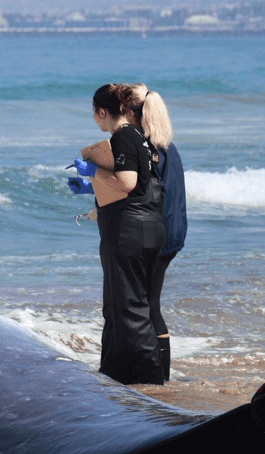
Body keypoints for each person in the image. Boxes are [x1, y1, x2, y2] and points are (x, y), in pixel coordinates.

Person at [69, 83, 169, 385]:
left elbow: (126, 182)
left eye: (94, 114)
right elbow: (141, 187)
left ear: (102, 112)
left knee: (129, 309)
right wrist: (94, 189)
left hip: (129, 232)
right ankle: (115, 375)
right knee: (120, 306)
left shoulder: (123, 136)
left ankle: (150, 383)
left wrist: (91, 171)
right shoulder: (143, 137)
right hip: (148, 228)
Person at [141, 89, 187, 382]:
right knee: (149, 301)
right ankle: (160, 373)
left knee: (148, 303)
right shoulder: (169, 147)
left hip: (162, 234)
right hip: (175, 231)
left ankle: (160, 375)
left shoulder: (151, 151)